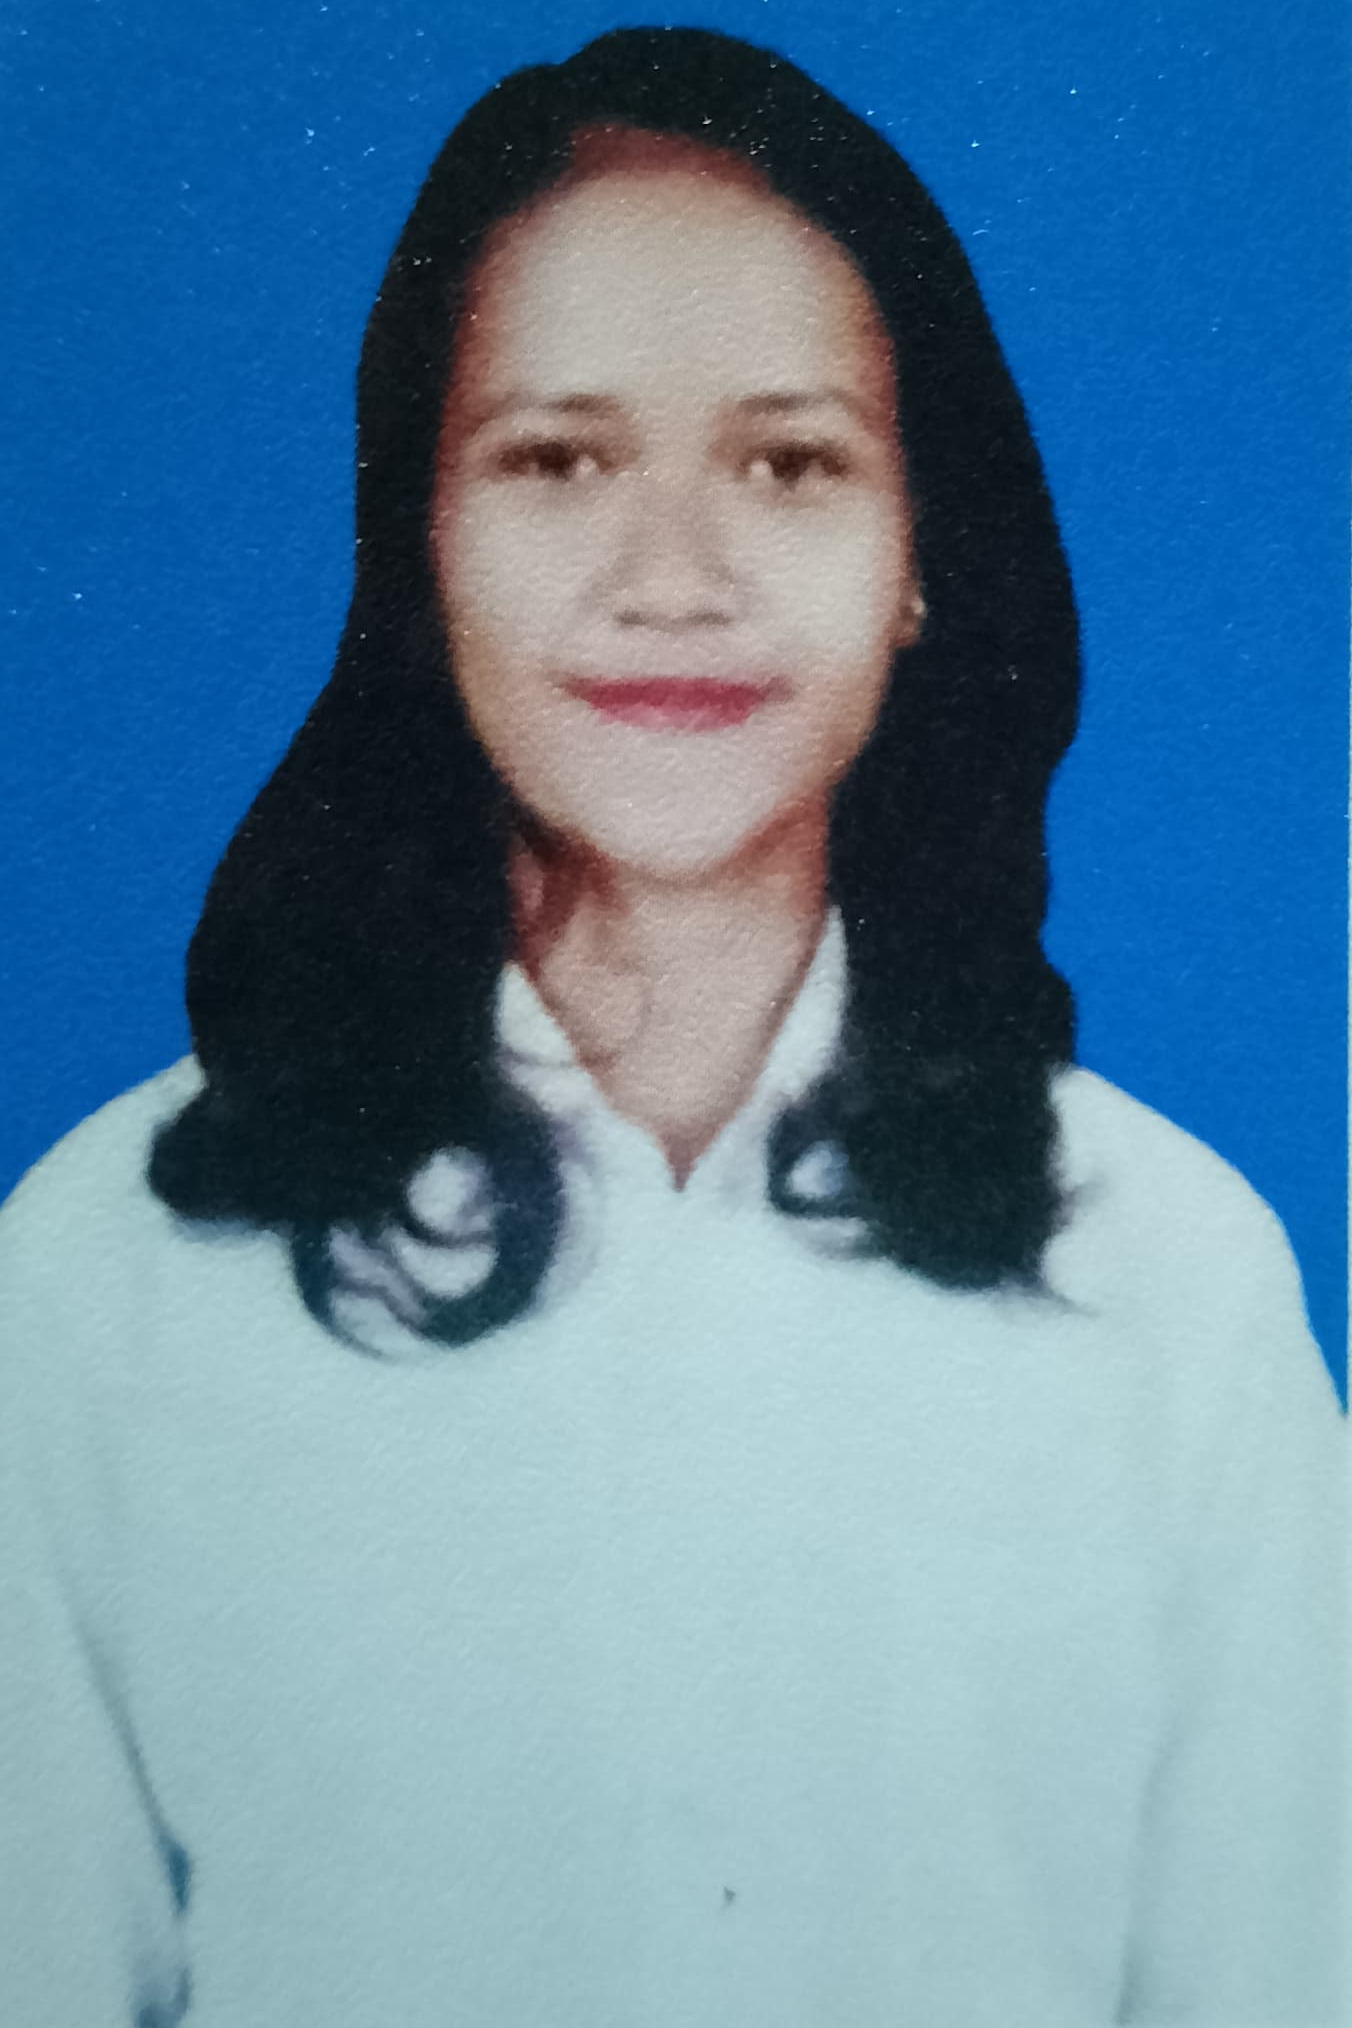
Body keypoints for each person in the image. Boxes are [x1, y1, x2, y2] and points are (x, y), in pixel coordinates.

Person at [0, 25, 1343, 2028]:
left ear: (920, 559)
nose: (674, 581)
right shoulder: (104, 1279)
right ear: (419, 542)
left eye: (791, 463)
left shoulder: (1172, 1284)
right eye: (555, 460)